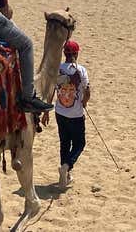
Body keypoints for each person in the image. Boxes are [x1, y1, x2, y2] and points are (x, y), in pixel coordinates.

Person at [52, 39, 90, 188]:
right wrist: (84, 102)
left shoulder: (58, 68)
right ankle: (67, 166)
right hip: (75, 114)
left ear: (64, 53)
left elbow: (51, 89)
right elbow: (87, 90)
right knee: (80, 143)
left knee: (64, 143)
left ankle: (65, 175)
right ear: (77, 53)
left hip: (60, 112)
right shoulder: (81, 70)